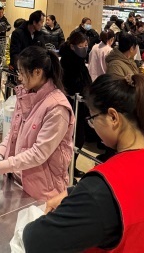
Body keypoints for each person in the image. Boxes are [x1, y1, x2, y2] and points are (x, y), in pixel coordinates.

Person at [23, 73, 144, 252]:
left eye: (93, 119)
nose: (93, 127)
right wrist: (73, 193)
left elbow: (36, 241)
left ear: (113, 117)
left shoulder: (105, 186)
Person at [0, 46, 74, 201]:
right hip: (18, 179)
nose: (19, 77)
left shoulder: (57, 108)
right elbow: (13, 132)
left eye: (22, 72)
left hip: (43, 190)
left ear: (37, 72)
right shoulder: (25, 94)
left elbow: (38, 154)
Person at [59, 31, 92, 177]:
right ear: (72, 46)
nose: (85, 48)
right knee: (74, 138)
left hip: (81, 105)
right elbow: (70, 84)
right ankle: (67, 168)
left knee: (78, 138)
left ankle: (71, 166)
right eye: (81, 45)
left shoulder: (79, 60)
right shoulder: (67, 62)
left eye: (86, 45)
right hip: (72, 105)